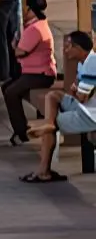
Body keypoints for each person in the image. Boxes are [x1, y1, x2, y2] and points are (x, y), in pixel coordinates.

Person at [21, 31, 96, 183]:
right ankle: (48, 122)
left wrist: (76, 91)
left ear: (78, 48)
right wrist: (76, 91)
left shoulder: (92, 63)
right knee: (53, 96)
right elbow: (77, 91)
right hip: (83, 106)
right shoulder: (84, 63)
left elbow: (82, 97)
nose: (65, 50)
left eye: (68, 47)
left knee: (54, 125)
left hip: (89, 113)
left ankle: (43, 171)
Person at [1, 0, 56, 146]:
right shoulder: (39, 24)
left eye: (27, 8)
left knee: (10, 92)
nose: (25, 11)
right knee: (8, 87)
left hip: (39, 74)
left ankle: (21, 131)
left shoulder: (34, 29)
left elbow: (20, 51)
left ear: (32, 10)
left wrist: (14, 46)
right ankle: (22, 127)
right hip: (35, 72)